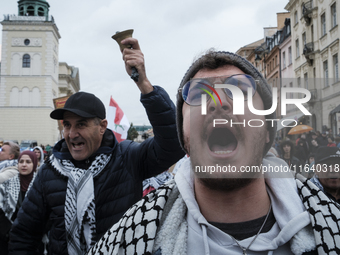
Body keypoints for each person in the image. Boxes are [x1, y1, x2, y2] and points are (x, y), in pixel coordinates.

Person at [88, 50, 340, 254]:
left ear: (266, 130)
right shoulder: (127, 238)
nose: (219, 102)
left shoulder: (331, 226)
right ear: (184, 138)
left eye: (240, 90)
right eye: (199, 93)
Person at [9, 38, 184, 254]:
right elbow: (24, 234)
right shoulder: (49, 172)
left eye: (81, 124)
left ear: (102, 126)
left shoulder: (127, 158)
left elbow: (174, 144)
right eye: (67, 125)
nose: (72, 134)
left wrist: (144, 83)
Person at [0, 151, 38, 253]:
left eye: (28, 162)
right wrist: (9, 230)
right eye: (21, 161)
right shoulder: (6, 185)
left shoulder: (40, 187)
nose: (24, 165)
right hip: (8, 237)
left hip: (32, 238)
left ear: (34, 164)